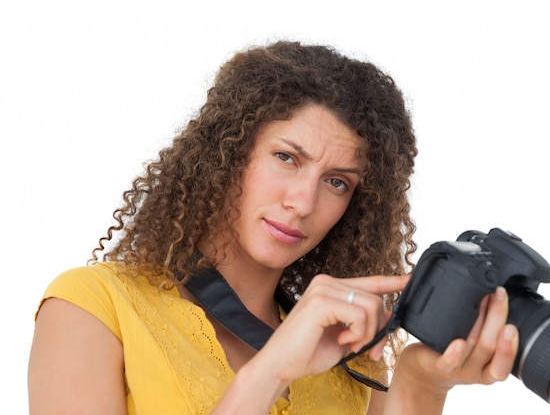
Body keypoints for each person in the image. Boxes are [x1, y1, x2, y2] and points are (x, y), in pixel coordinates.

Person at [28, 40, 518, 415]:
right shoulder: (92, 307)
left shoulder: (351, 357)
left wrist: (420, 383)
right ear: (225, 153)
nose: (303, 202)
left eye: (337, 182)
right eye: (286, 157)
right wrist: (271, 370)